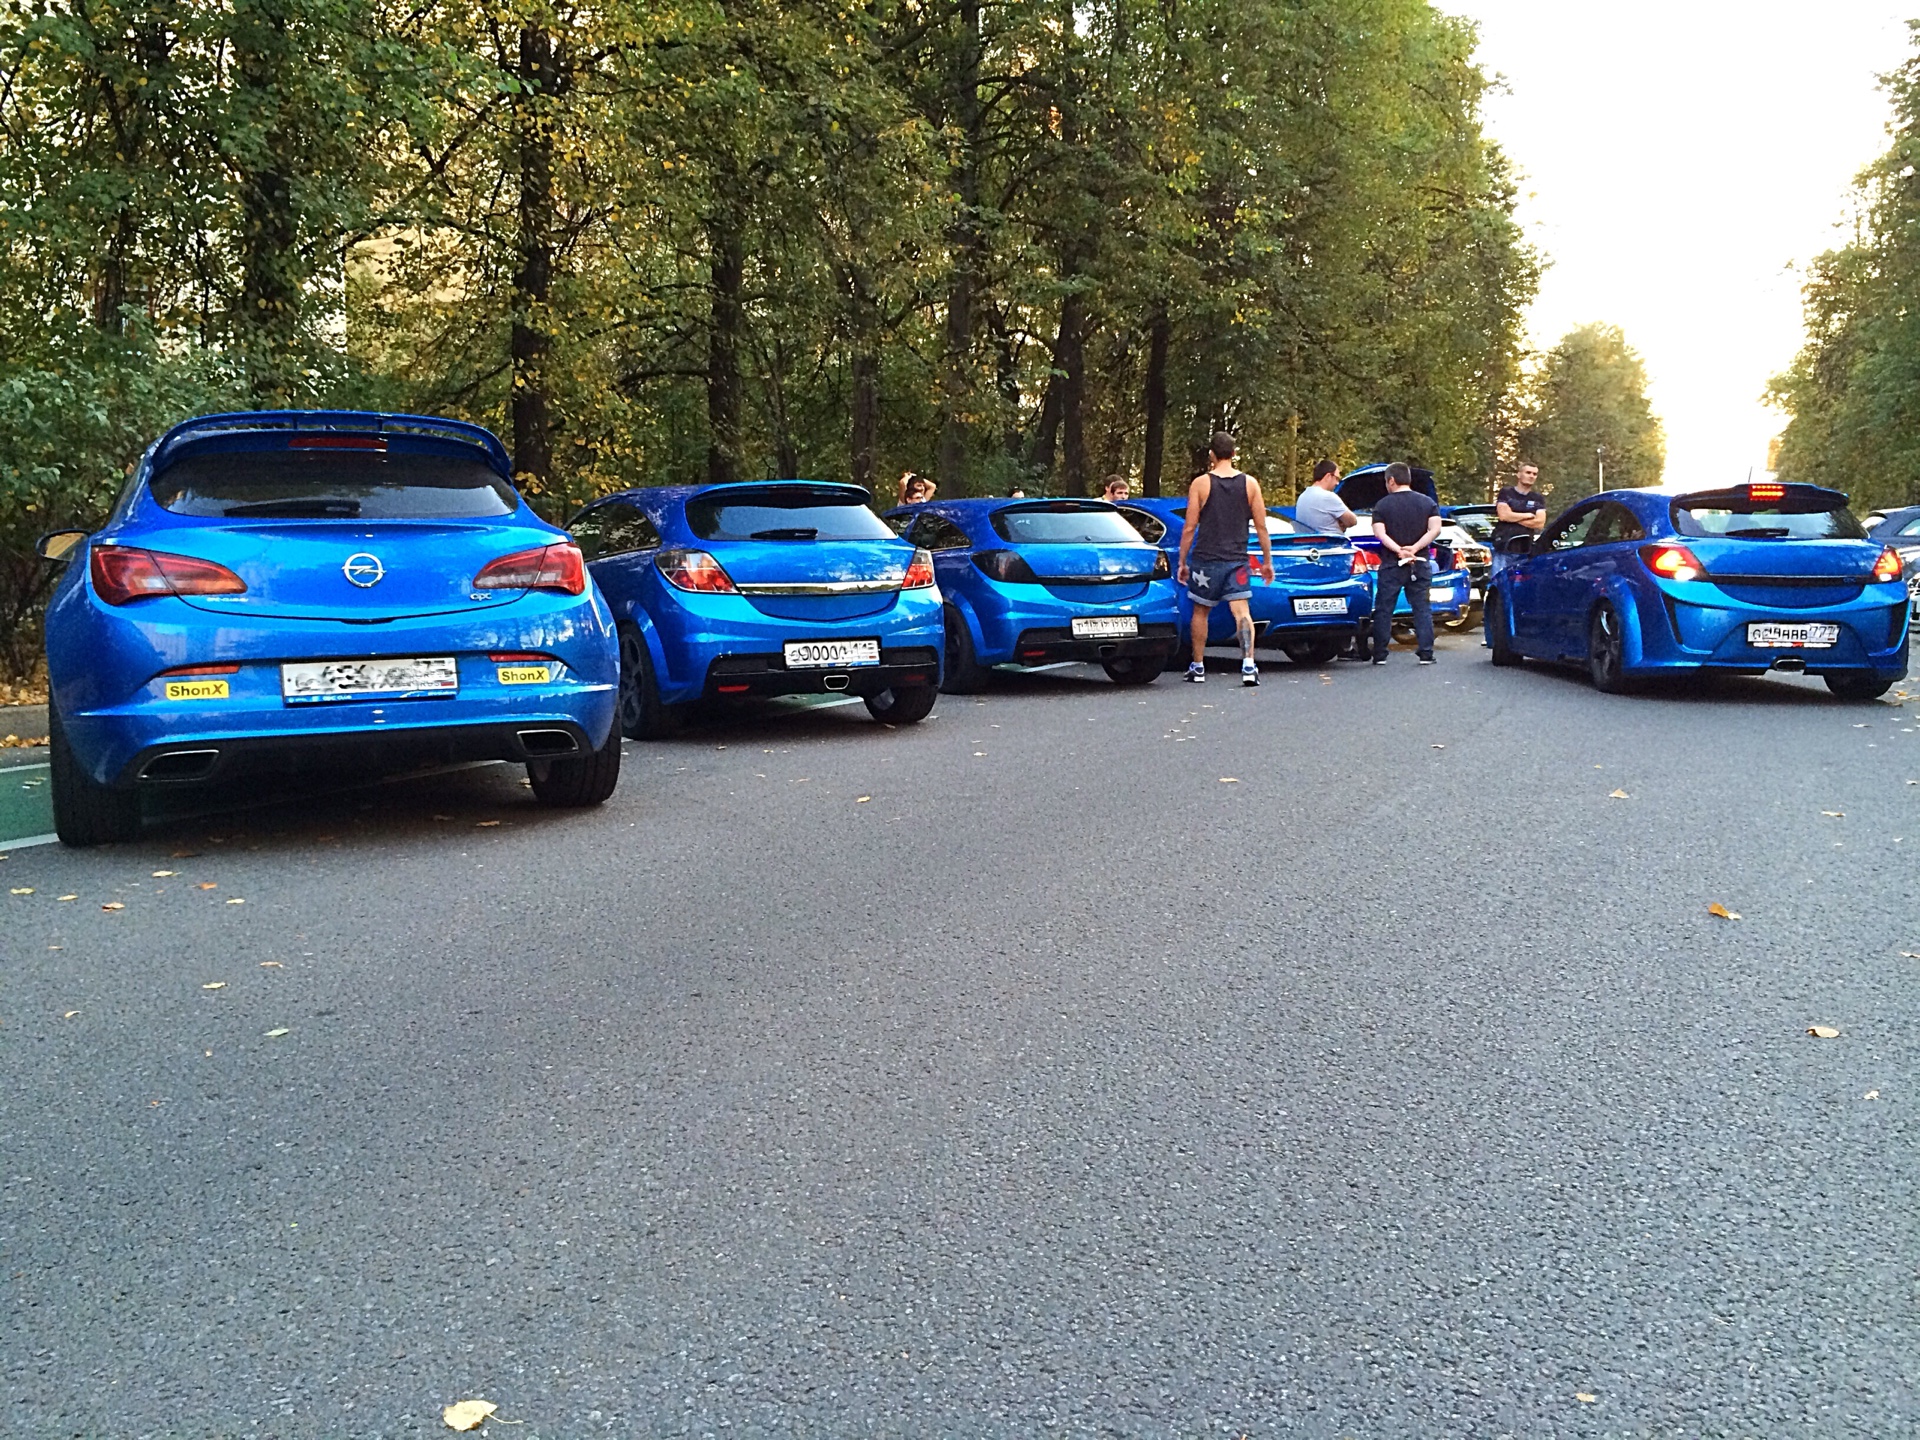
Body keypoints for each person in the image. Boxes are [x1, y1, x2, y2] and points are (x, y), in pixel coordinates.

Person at [1175, 432, 1274, 686]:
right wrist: (1267, 561)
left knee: (1201, 611)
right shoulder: (1250, 484)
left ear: (1211, 454)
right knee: (1242, 611)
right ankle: (1249, 665)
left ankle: (1198, 666)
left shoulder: (1201, 484)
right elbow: (1261, 527)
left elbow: (1189, 527)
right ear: (1234, 453)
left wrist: (1182, 561)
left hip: (1206, 560)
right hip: (1237, 560)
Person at [1369, 462, 1441, 666]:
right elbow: (1435, 529)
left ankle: (1380, 654)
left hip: (1392, 564)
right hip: (1420, 562)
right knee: (1422, 608)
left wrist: (1399, 550)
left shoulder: (1382, 505)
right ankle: (1426, 653)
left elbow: (1379, 533)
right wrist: (1415, 549)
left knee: (1384, 608)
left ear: (1391, 480)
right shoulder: (1428, 503)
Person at [1490, 462, 1546, 574]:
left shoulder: (1538, 498)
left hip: (1525, 550)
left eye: (1534, 474)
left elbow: (1539, 523)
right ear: (1519, 474)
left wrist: (1513, 516)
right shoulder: (1506, 493)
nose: (1531, 476)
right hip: (1504, 548)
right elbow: (1503, 516)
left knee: (1520, 582)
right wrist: (1527, 516)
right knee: (1499, 580)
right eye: (1528, 472)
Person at [1293, 459, 1358, 536]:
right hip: (1331, 542)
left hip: (1307, 542)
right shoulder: (1328, 497)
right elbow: (1352, 521)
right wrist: (1340, 522)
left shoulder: (1302, 497)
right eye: (1336, 478)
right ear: (1328, 476)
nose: (1337, 483)